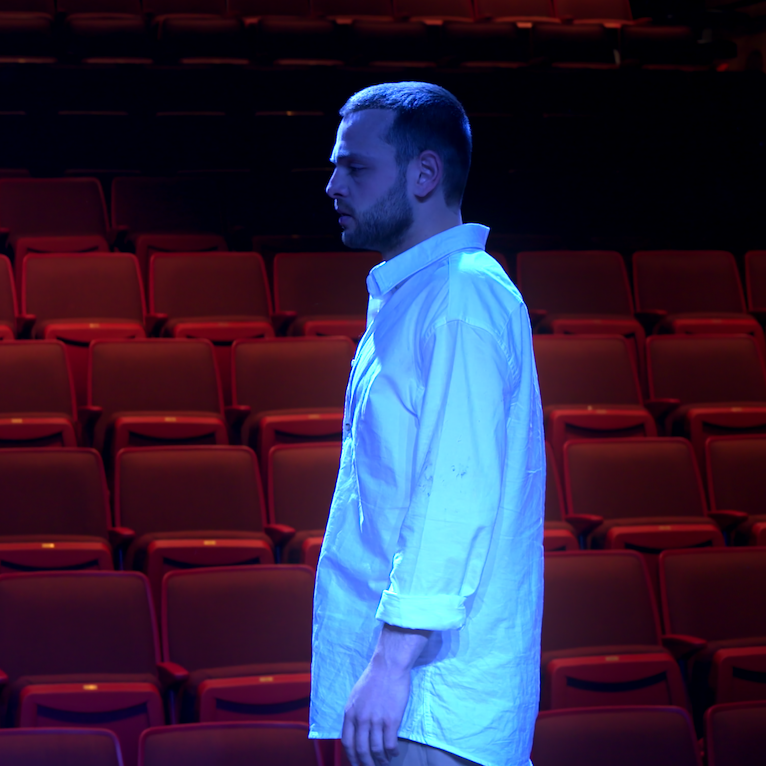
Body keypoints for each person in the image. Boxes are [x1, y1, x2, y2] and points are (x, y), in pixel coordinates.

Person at [307, 82, 545, 766]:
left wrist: (389, 667)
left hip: (432, 702)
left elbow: (454, 494)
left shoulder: (461, 296)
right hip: (407, 694)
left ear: (424, 175)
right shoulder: (422, 294)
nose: (331, 185)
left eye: (354, 166)